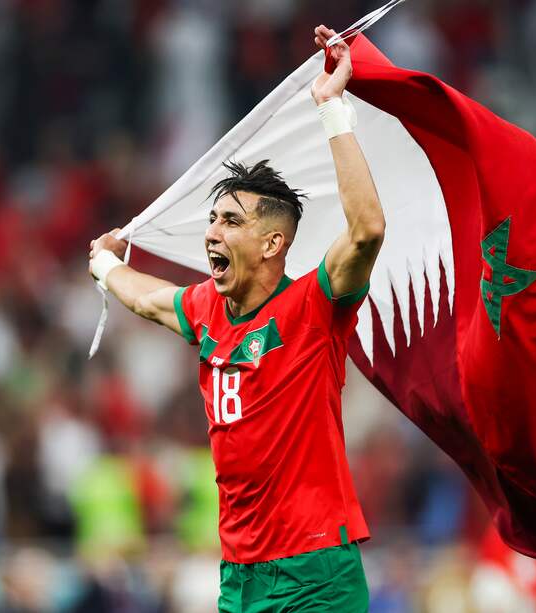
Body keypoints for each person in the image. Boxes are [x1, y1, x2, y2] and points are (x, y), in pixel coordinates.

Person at [87, 25, 384, 612]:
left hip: (316, 571)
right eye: (212, 220)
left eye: (230, 221)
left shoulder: (313, 306)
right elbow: (148, 298)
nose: (212, 233)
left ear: (272, 243)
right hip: (239, 577)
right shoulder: (206, 309)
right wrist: (104, 264)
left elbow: (367, 230)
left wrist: (332, 110)